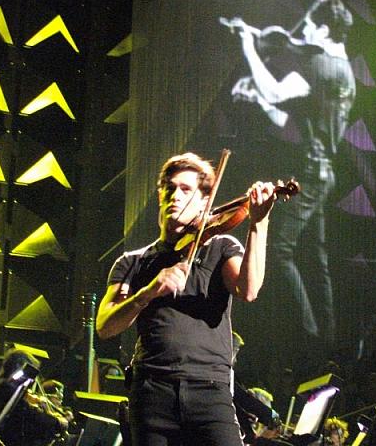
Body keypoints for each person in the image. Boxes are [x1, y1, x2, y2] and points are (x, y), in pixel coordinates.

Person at [96, 152, 276, 446]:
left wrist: (259, 222)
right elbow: (105, 325)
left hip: (210, 390)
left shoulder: (219, 246)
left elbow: (249, 290)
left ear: (205, 201)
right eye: (169, 189)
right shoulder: (133, 262)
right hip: (151, 391)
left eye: (186, 189)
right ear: (160, 196)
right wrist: (148, 292)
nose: (175, 196)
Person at [230, 0, 356, 356]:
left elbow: (275, 91)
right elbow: (292, 118)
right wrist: (262, 101)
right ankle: (326, 341)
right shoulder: (346, 74)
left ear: (325, 30)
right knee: (316, 258)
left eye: (311, 27)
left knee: (280, 250)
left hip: (310, 172)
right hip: (322, 169)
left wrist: (248, 46)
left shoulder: (318, 65)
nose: (304, 34)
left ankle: (309, 334)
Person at [0, 349, 68, 446]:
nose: (32, 381)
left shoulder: (4, 384)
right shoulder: (7, 387)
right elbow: (29, 415)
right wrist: (57, 422)